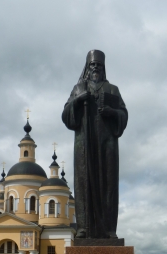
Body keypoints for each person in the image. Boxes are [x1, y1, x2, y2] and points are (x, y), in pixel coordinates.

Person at [62, 50, 128, 239]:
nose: (95, 68)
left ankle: (109, 229)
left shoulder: (112, 90)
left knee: (108, 184)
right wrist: (77, 100)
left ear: (103, 67)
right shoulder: (79, 88)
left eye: (98, 65)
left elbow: (124, 114)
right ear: (87, 68)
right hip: (84, 145)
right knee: (84, 183)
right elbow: (66, 115)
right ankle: (84, 228)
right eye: (92, 65)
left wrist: (112, 112)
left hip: (107, 144)